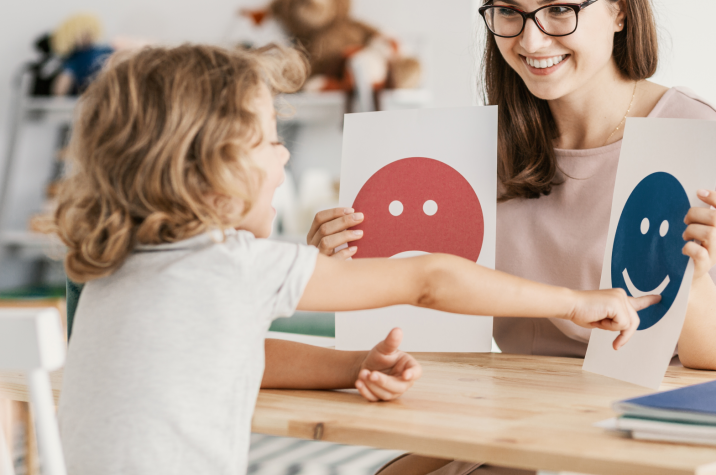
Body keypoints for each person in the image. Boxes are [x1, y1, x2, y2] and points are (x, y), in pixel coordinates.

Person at [51, 42, 653, 475]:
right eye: (268, 140)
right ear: (206, 172)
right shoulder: (232, 264)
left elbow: (235, 352)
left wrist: (354, 365)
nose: (284, 157)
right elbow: (430, 277)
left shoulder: (115, 270)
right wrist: (577, 301)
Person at [309, 0, 716, 474]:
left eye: (559, 10)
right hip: (507, 420)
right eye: (508, 12)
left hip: (635, 433)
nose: (530, 41)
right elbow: (424, 311)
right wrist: (335, 264)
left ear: (620, 10)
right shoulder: (477, 152)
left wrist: (700, 276)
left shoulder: (697, 136)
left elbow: (707, 363)